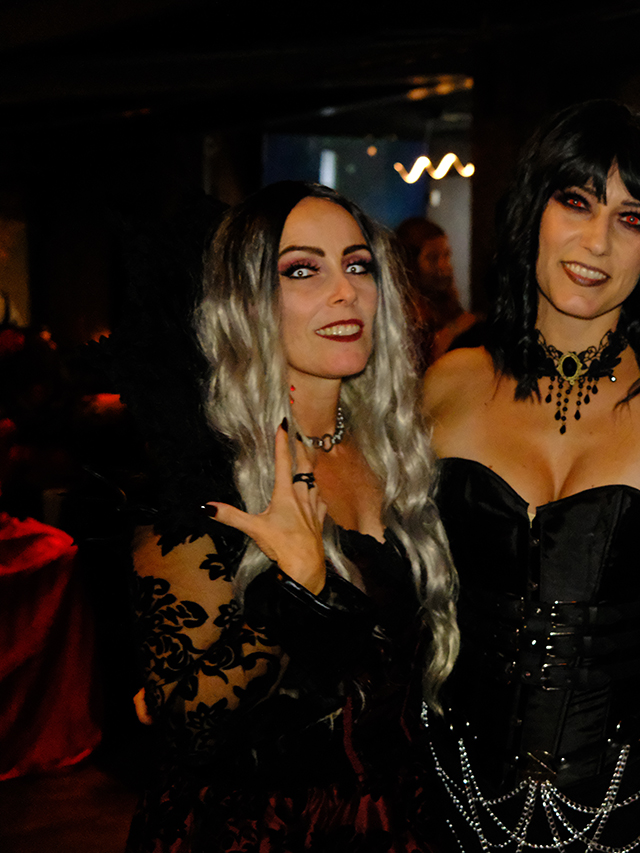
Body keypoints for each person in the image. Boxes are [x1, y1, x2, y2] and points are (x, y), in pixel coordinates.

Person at [420, 99, 640, 851]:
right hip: (447, 788)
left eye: (631, 218)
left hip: (638, 798)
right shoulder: (449, 382)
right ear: (533, 211)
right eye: (577, 202)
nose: (597, 241)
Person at [125, 182, 457, 852]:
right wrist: (294, 586)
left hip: (399, 819)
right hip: (263, 831)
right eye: (303, 270)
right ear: (246, 303)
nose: (345, 292)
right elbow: (187, 728)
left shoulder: (397, 452)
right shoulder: (207, 477)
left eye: (358, 266)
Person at [395, 217, 480, 364]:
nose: (443, 265)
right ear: (409, 264)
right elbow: (417, 366)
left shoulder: (445, 303)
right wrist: (453, 330)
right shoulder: (400, 314)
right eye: (432, 258)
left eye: (446, 255)